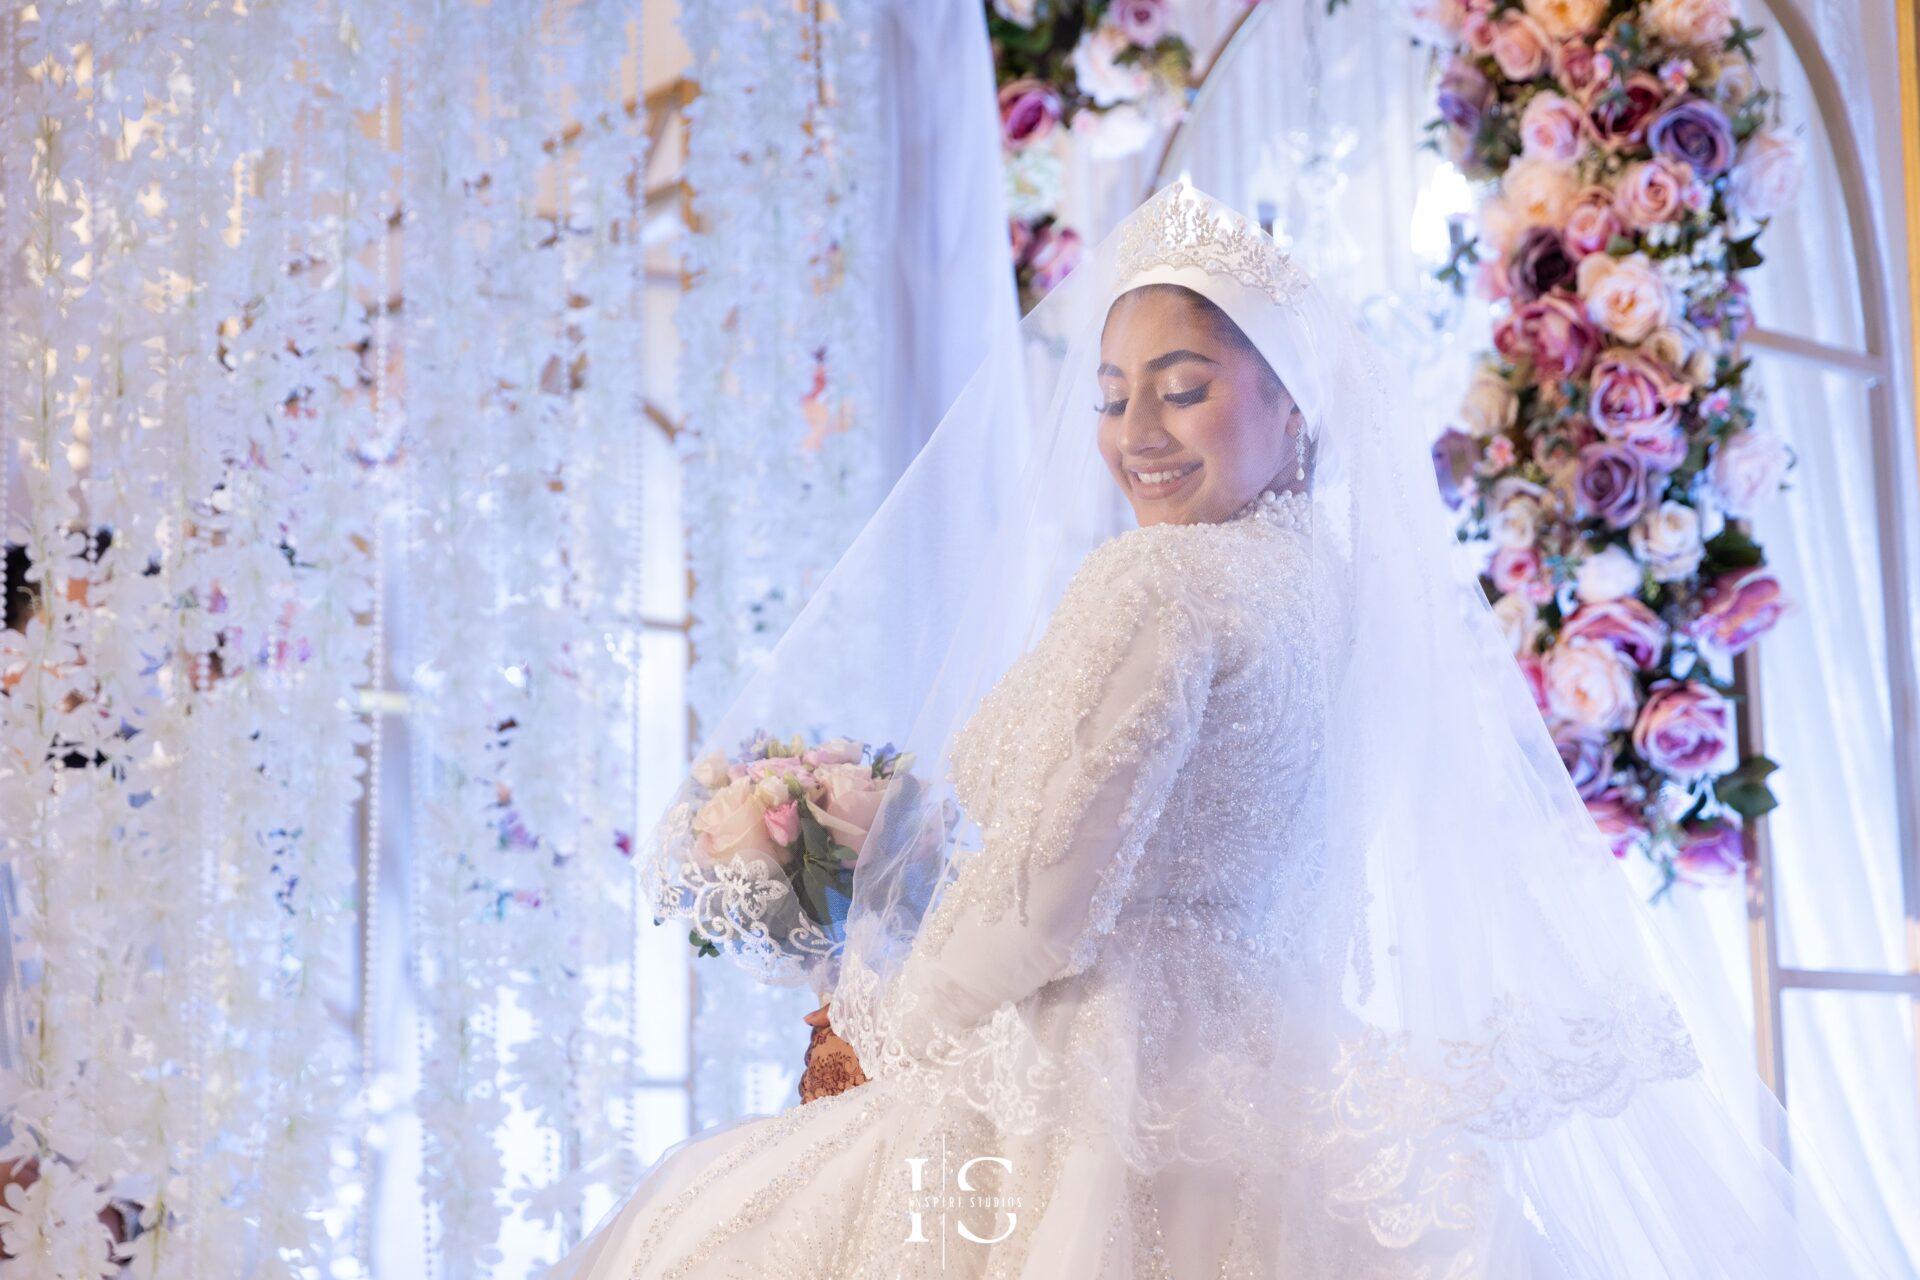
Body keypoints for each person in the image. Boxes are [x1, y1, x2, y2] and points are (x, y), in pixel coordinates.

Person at [541, 182, 1894, 1278]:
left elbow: (1049, 912)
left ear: (1289, 403)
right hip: (1272, 1088)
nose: (1136, 432)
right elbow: (1176, 843)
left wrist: (881, 1017)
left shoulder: (1163, 578)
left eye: (1181, 385)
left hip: (1078, 1092)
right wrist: (901, 834)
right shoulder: (1332, 596)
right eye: (1112, 395)